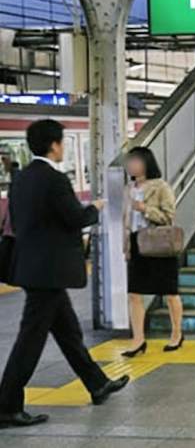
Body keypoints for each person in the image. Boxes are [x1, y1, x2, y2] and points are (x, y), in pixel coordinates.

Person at [0, 119, 128, 428]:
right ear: (55, 145)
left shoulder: (20, 179)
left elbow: (21, 222)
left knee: (69, 332)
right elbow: (74, 218)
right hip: (49, 273)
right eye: (62, 143)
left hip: (32, 268)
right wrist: (95, 207)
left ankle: (97, 384)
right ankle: (6, 405)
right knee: (29, 340)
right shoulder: (54, 180)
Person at [121, 147, 183, 357]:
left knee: (170, 292)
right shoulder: (128, 188)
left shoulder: (161, 187)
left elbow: (169, 216)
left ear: (147, 163)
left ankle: (176, 333)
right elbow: (125, 221)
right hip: (136, 243)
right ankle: (138, 339)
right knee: (134, 293)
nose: (131, 166)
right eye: (130, 162)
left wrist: (145, 209)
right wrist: (126, 247)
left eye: (135, 161)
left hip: (158, 244)